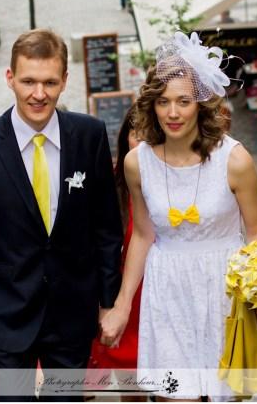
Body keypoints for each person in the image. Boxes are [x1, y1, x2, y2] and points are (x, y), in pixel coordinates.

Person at [0, 29, 123, 401]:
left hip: (72, 315)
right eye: (29, 81)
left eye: (49, 82)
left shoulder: (89, 135)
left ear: (65, 80)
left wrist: (109, 302)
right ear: (10, 78)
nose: (39, 94)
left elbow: (107, 228)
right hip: (4, 316)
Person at [100, 31, 257, 400]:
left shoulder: (235, 160)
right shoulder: (137, 164)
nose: (173, 113)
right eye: (163, 102)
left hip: (225, 290)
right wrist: (122, 305)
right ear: (151, 105)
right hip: (167, 291)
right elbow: (143, 235)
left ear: (202, 104)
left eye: (183, 101)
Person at [87, 107, 146, 402]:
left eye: (151, 134)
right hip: (125, 295)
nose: (143, 141)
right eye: (137, 133)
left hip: (162, 292)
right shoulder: (112, 182)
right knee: (131, 382)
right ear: (125, 138)